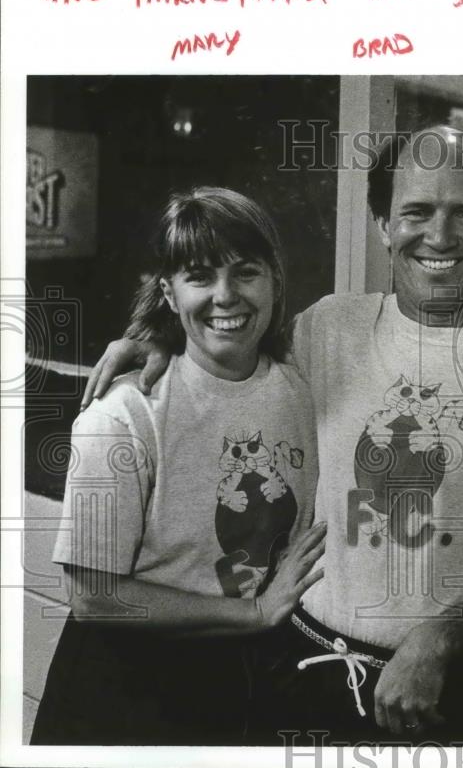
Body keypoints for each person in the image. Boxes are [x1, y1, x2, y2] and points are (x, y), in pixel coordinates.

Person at [81, 129, 463, 745]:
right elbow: (228, 336)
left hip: (440, 699)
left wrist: (442, 640)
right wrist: (160, 337)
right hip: (292, 672)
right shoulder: (328, 327)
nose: (438, 237)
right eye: (415, 211)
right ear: (383, 223)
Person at [31, 187, 325, 745]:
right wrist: (258, 613)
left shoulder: (306, 387)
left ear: (275, 281)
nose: (225, 296)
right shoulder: (122, 415)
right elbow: (93, 595)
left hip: (250, 679)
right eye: (199, 276)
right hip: (125, 687)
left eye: (245, 272)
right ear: (168, 292)